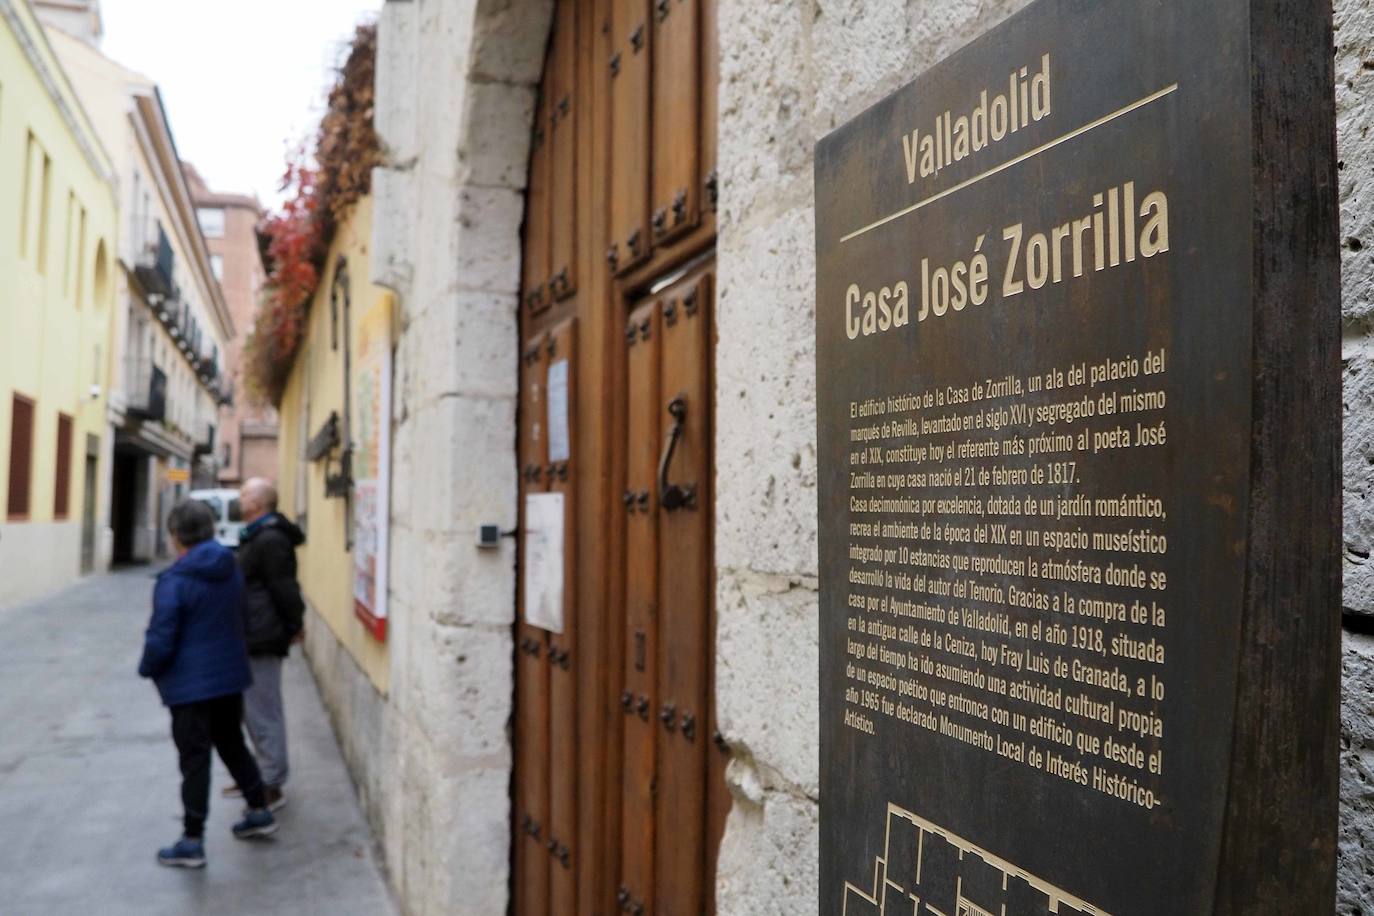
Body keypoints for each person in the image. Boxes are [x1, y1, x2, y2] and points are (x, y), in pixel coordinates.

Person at [139, 500, 277, 869]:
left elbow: (161, 636)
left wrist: (148, 667)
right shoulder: (230, 567)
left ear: (176, 536)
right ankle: (259, 810)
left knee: (195, 759)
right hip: (229, 676)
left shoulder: (176, 581)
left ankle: (192, 839)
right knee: (232, 743)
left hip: (191, 685)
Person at [229, 477, 305, 811]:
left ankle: (272, 783)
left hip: (263, 634)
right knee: (251, 711)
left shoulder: (270, 538)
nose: (240, 497)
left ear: (258, 503)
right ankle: (260, 774)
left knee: (264, 712)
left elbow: (284, 586)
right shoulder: (256, 535)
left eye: (245, 493)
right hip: (251, 633)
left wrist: (294, 624)